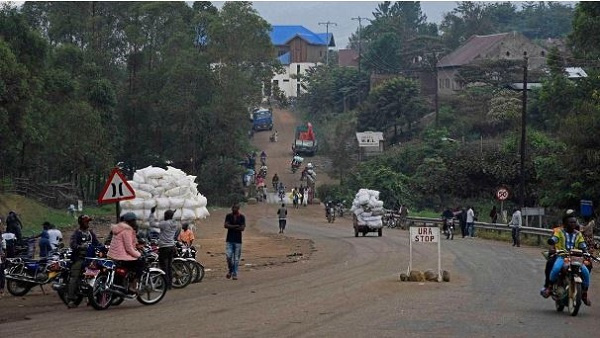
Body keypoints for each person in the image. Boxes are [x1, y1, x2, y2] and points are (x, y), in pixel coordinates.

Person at [541, 213, 592, 306]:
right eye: (570, 222)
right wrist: (552, 241)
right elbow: (555, 238)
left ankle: (584, 293)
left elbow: (582, 244)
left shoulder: (578, 234)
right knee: (556, 268)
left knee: (585, 272)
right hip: (562, 256)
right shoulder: (559, 232)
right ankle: (549, 287)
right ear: (565, 223)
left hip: (576, 257)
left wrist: (585, 250)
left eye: (574, 222)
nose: (573, 224)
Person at [67, 215, 100, 307]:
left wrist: (103, 246)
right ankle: (71, 300)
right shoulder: (76, 233)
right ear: (81, 223)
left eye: (88, 221)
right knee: (74, 277)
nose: (88, 223)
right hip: (79, 258)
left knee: (94, 275)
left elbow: (97, 243)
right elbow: (72, 244)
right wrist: (80, 246)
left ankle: (92, 297)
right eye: (86, 222)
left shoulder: (91, 233)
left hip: (91, 259)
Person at [107, 212, 142, 294]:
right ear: (131, 221)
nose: (135, 222)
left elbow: (130, 242)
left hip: (113, 255)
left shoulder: (119, 228)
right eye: (134, 221)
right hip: (121, 256)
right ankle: (132, 286)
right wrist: (138, 254)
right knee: (140, 263)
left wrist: (137, 245)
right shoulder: (127, 230)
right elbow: (129, 248)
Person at [149, 209, 180, 289]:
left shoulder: (164, 224)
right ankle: (169, 284)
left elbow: (152, 224)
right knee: (169, 266)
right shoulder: (175, 224)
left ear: (166, 216)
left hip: (164, 247)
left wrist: (152, 213)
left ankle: (165, 284)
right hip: (171, 247)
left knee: (163, 267)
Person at [224, 203, 245, 280]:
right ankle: (231, 270)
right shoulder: (228, 216)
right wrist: (236, 226)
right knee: (228, 256)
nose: (234, 209)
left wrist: (231, 227)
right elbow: (225, 225)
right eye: (233, 208)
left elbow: (242, 228)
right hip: (229, 240)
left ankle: (234, 273)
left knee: (236, 259)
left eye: (235, 208)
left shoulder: (242, 217)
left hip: (238, 241)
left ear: (238, 209)